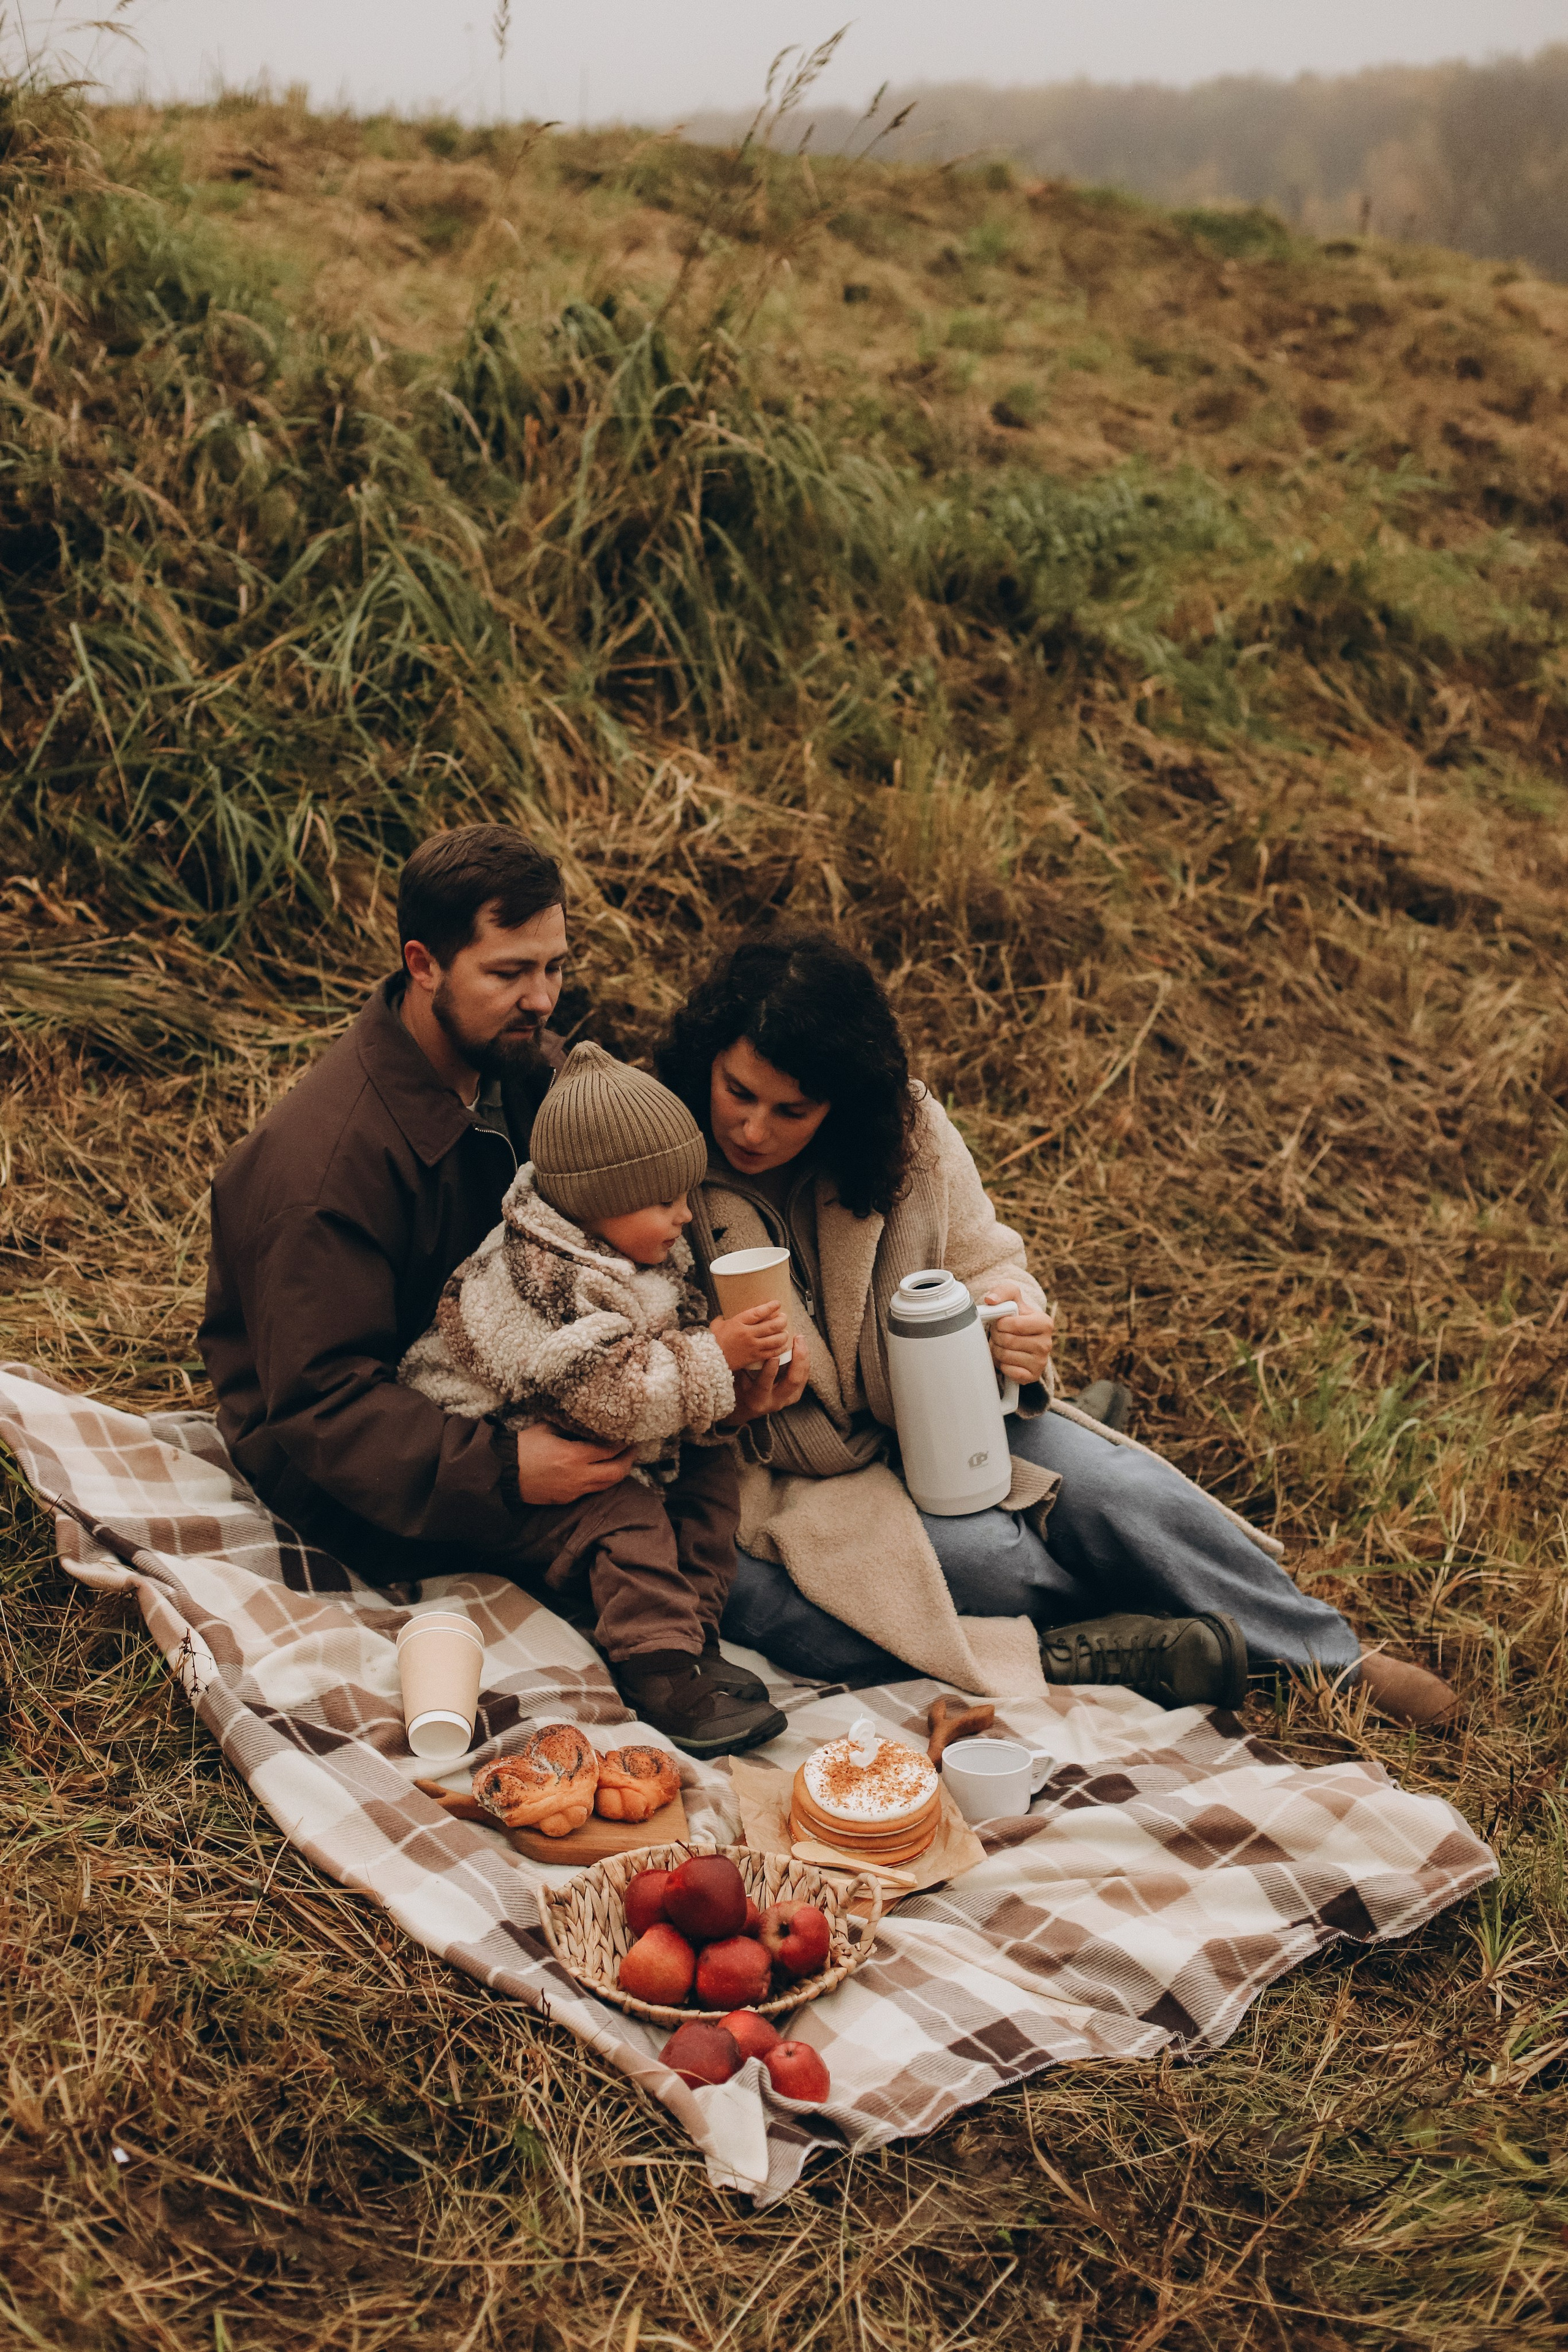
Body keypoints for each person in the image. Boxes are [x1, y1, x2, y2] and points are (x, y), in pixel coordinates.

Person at [655, 930, 1458, 1725]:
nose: (754, 1129)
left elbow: (987, 1263)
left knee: (1127, 1492)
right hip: (791, 1468)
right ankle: (1150, 1632)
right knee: (987, 1564)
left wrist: (1017, 1325)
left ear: (842, 1103)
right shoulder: (658, 1161)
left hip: (946, 1409)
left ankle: (1334, 1661)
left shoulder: (905, 1135)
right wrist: (729, 1388)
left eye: (792, 1110)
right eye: (739, 1092)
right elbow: (635, 1348)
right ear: (709, 1062)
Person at [200, 824, 791, 1753]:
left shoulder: (529, 1073)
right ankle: (681, 1660)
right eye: (511, 972)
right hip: (388, 1462)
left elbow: (613, 1252)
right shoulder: (320, 1169)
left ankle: (696, 1637)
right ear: (422, 964)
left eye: (555, 966)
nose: (544, 999)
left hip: (542, 1384)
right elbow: (315, 1406)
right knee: (713, 1563)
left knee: (719, 1490)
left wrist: (724, 1369)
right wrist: (506, 1470)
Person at [396, 1042, 792, 1754]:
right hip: (504, 1452)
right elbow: (605, 1395)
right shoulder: (536, 1274)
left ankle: (692, 1641)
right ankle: (660, 1674)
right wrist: (717, 1354)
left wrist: (732, 1395)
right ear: (598, 1202)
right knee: (626, 1518)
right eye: (665, 1201)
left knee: (708, 1484)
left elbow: (657, 1362)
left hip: (600, 1426)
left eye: (687, 1196)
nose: (683, 1217)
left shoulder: (632, 1247)